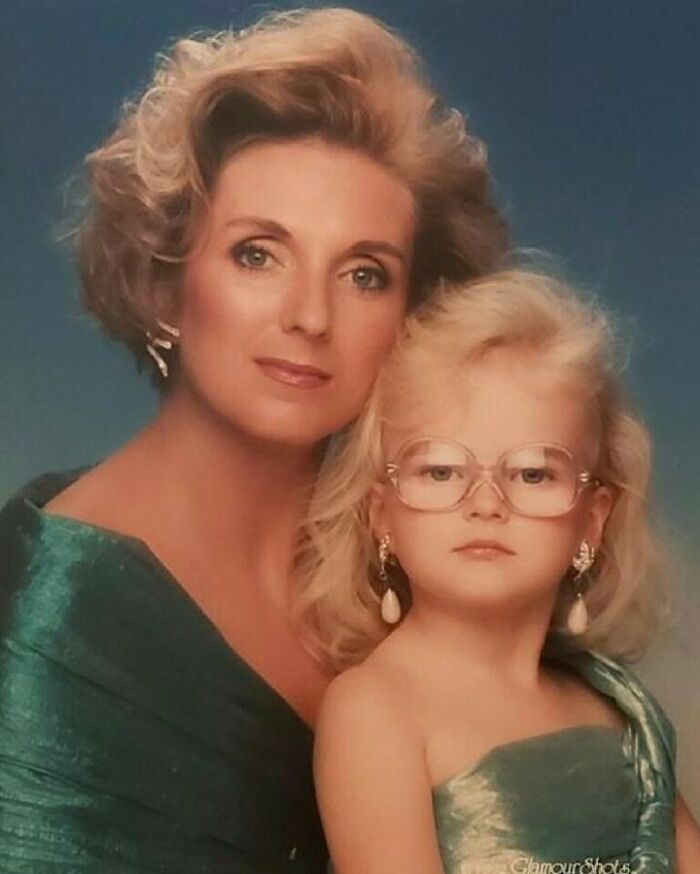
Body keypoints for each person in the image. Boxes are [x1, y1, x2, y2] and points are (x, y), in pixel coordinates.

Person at [0, 8, 508, 873]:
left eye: (364, 274)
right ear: (163, 284)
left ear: (412, 319)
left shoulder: (423, 561)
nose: (311, 317)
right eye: (258, 255)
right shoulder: (48, 614)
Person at [307, 271, 700, 873]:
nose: (486, 503)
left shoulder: (617, 706)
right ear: (381, 515)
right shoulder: (376, 709)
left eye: (533, 473)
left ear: (591, 521)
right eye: (441, 470)